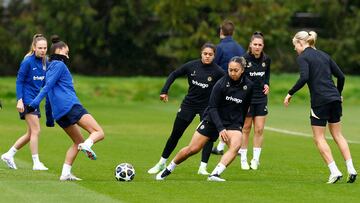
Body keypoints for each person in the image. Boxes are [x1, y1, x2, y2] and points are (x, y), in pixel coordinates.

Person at [156, 56, 253, 181]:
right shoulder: (221, 84)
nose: (232, 73)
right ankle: (169, 168)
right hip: (212, 120)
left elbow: (245, 107)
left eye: (236, 70)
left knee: (236, 145)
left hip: (232, 123)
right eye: (230, 70)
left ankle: (215, 174)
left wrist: (239, 124)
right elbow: (212, 107)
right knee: (192, 149)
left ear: (242, 70)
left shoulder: (249, 86)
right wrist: (220, 128)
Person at [284, 31, 357, 184]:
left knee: (319, 138)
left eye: (295, 46)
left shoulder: (303, 57)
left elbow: (304, 77)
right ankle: (351, 169)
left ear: (300, 43)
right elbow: (341, 76)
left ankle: (334, 171)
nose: (295, 49)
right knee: (338, 135)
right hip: (335, 99)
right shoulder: (324, 55)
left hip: (320, 101)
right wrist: (338, 94)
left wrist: (290, 93)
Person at [28, 35, 105, 181]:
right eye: (67, 52)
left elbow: (48, 94)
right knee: (99, 132)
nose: (68, 55)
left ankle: (65, 173)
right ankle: (88, 145)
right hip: (70, 106)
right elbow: (47, 88)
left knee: (77, 142)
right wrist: (35, 102)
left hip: (59, 114)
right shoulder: (59, 65)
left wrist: (50, 119)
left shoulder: (49, 68)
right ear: (59, 50)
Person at [148, 43, 225, 176]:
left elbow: (228, 84)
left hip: (206, 108)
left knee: (207, 138)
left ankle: (203, 167)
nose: (207, 56)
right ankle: (161, 162)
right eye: (205, 54)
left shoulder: (218, 71)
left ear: (214, 56)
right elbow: (174, 74)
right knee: (176, 134)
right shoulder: (191, 66)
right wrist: (164, 91)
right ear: (201, 54)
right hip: (189, 105)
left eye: (210, 54)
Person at [1, 34, 49, 170]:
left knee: (30, 133)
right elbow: (19, 81)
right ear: (34, 47)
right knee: (36, 130)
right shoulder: (28, 61)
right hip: (27, 100)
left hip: (35, 100)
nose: (43, 50)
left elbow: (45, 81)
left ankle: (9, 155)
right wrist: (19, 100)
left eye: (45, 48)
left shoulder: (45, 62)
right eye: (40, 48)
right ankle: (36, 163)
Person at [211, 19, 246, 155]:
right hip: (237, 86)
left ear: (221, 31)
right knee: (232, 114)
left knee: (220, 114)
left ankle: (226, 145)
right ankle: (222, 147)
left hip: (222, 85)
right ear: (233, 32)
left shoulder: (219, 48)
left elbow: (215, 66)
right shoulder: (240, 48)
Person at [238, 31, 271, 170]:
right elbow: (239, 79)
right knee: (246, 129)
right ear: (250, 45)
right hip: (247, 99)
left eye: (260, 45)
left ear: (263, 46)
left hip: (261, 98)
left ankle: (255, 159)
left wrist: (267, 84)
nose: (257, 47)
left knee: (259, 129)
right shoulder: (244, 59)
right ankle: (243, 159)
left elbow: (267, 74)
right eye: (255, 44)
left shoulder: (266, 59)